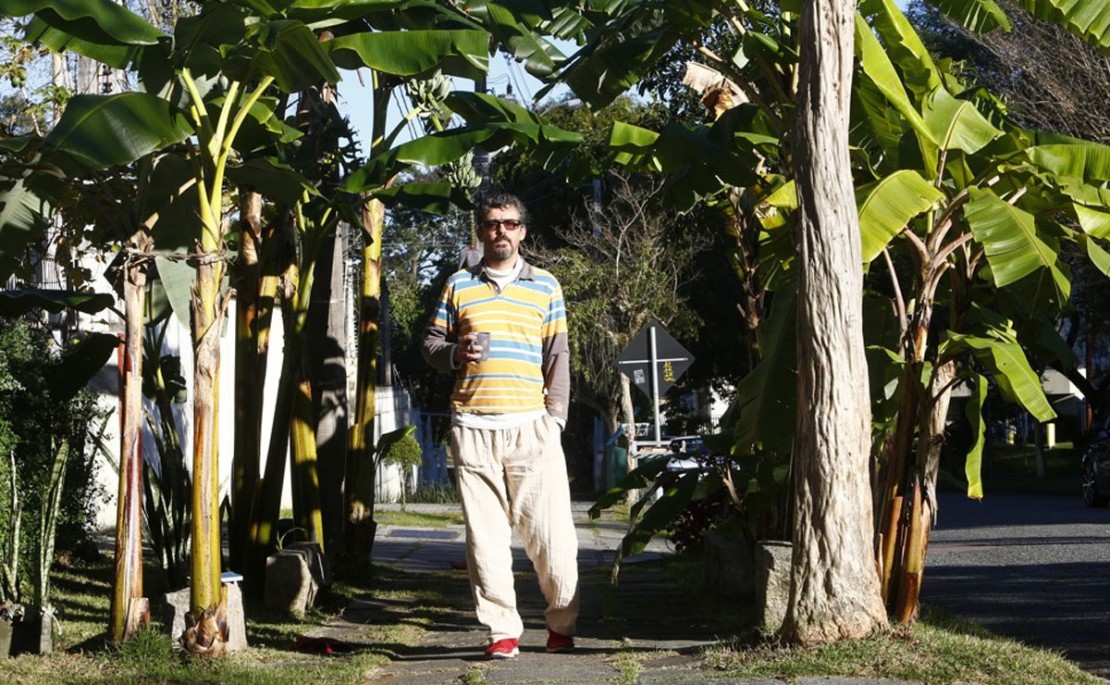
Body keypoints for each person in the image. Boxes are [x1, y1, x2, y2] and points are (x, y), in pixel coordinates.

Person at [421, 191, 579, 659]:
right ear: (480, 231)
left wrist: (556, 419)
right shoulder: (458, 286)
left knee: (552, 538)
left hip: (532, 428)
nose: (501, 232)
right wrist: (453, 353)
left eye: (510, 224)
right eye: (492, 224)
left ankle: (562, 625)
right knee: (485, 540)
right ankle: (501, 632)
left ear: (523, 231)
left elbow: (558, 355)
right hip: (472, 427)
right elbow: (430, 344)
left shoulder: (546, 286)